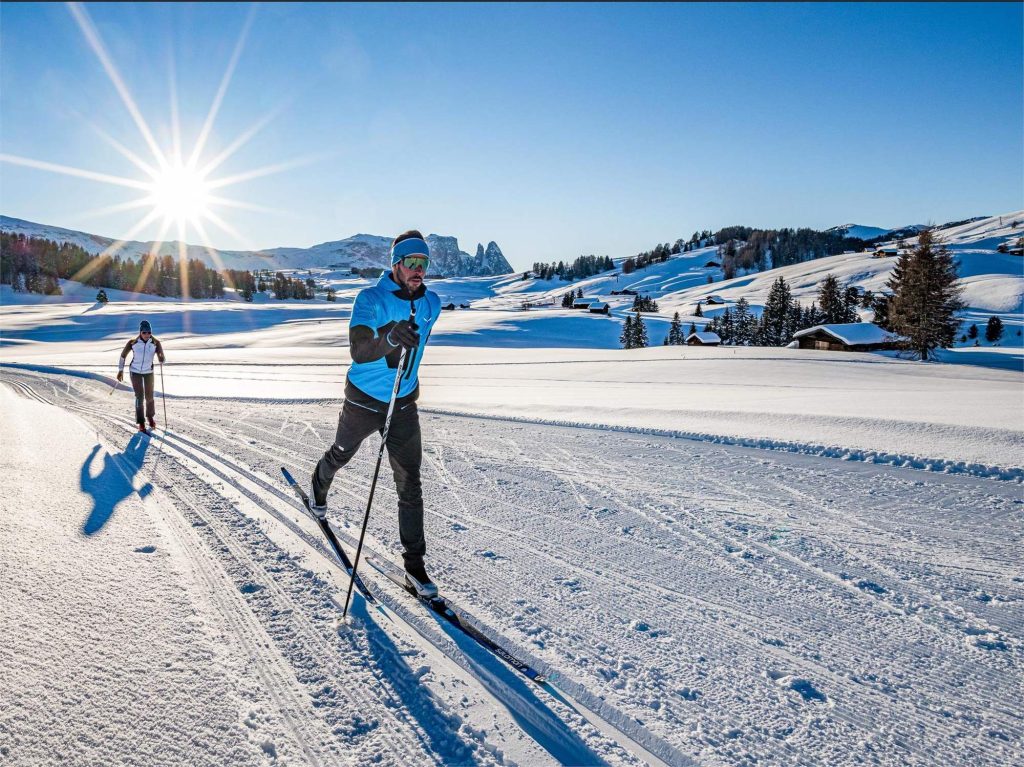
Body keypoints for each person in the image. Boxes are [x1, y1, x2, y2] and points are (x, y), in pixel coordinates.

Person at [312, 230, 441, 597]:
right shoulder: (369, 299)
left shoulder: (432, 304)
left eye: (423, 264)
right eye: (411, 263)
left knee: (409, 483)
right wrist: (389, 338)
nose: (418, 270)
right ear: (396, 264)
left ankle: (415, 568)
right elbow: (359, 350)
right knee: (342, 454)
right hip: (364, 400)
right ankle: (318, 488)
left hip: (402, 404)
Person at [117, 320, 165, 433]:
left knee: (149, 396)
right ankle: (141, 422)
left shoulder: (156, 343)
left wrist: (161, 358)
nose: (147, 335)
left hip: (148, 372)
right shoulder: (132, 343)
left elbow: (162, 356)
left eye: (149, 332)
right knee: (139, 396)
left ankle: (150, 417)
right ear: (140, 332)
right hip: (135, 371)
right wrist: (120, 370)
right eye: (144, 332)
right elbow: (123, 356)